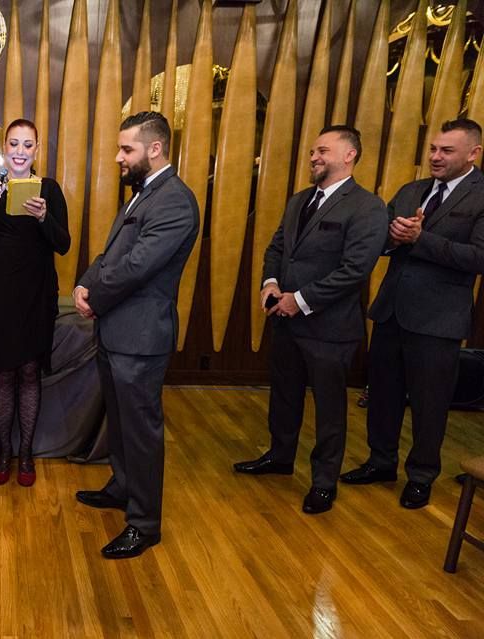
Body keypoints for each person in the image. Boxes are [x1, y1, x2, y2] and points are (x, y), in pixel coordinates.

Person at [233, 126, 387, 515]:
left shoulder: (367, 207)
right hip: (285, 321)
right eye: (312, 152)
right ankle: (280, 456)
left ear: (349, 155)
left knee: (330, 409)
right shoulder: (300, 200)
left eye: (322, 151)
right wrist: (270, 284)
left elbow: (355, 270)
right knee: (283, 395)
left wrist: (298, 300)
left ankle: (323, 481)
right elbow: (277, 246)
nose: (314, 157)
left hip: (329, 328)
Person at [73, 111, 199, 559]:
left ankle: (144, 523)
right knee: (122, 423)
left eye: (126, 149)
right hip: (117, 332)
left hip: (142, 337)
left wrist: (95, 296)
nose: (118, 157)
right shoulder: (143, 194)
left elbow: (137, 266)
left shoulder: (174, 202)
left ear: (155, 148)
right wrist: (85, 282)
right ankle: (123, 487)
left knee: (142, 430)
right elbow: (112, 255)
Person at [341, 118, 484, 509]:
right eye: (434, 149)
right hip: (392, 311)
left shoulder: (481, 195)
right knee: (383, 394)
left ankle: (421, 475)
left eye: (446, 151)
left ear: (473, 153)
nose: (435, 157)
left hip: (439, 319)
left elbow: (479, 257)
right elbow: (380, 241)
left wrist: (422, 240)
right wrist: (391, 238)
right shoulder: (412, 190)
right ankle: (380, 462)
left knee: (429, 402)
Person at [0, 118, 70, 487]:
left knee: (28, 372)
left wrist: (43, 217)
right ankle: (4, 451)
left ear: (37, 149)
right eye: (14, 144)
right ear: (3, 148)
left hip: (36, 293)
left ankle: (26, 454)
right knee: (3, 373)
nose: (20, 151)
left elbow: (63, 244)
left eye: (28, 145)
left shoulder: (50, 190)